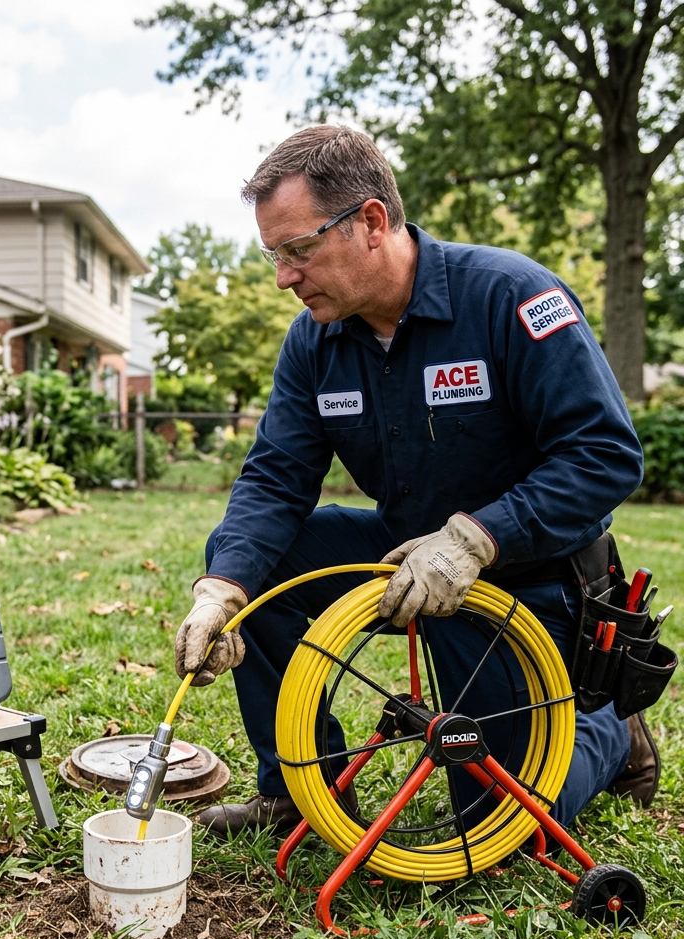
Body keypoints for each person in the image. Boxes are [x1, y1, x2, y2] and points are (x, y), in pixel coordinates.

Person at [175, 125, 659, 837]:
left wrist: (478, 539)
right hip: (405, 555)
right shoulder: (314, 341)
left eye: (299, 250)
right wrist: (222, 591)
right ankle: (296, 792)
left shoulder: (510, 296)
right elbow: (277, 479)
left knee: (505, 820)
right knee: (252, 559)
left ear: (371, 222)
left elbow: (606, 454)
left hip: (529, 576)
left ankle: (610, 731)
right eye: (274, 255)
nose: (284, 277)